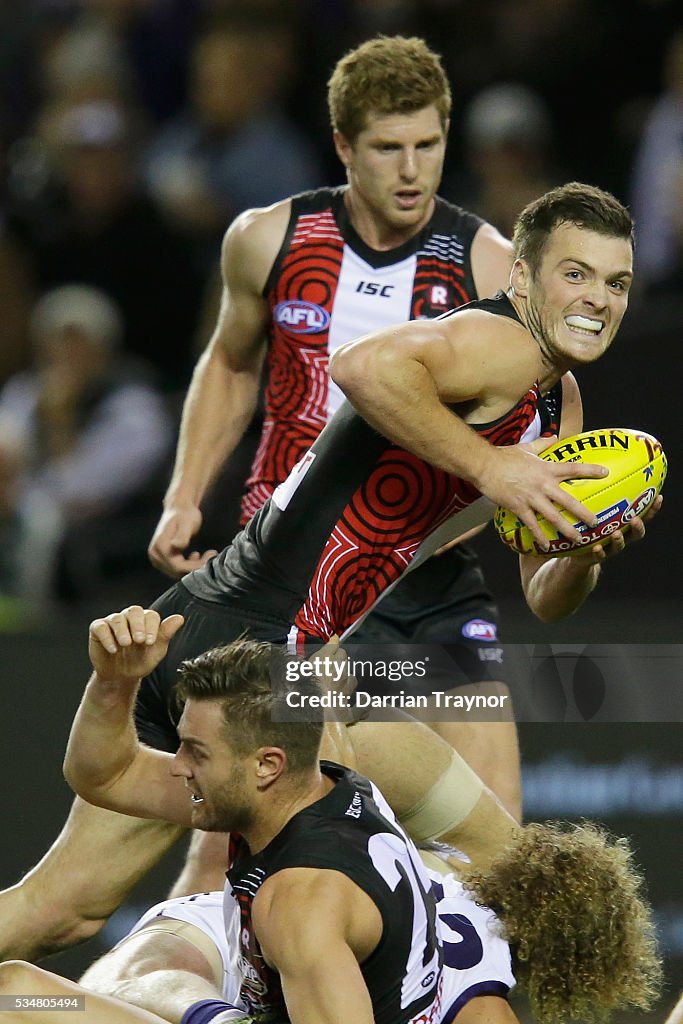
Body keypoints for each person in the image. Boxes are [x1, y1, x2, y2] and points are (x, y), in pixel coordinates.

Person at [0, 181, 660, 966]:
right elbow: (361, 364)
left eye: (615, 282)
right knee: (475, 864)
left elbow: (543, 595)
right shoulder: (501, 343)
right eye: (574, 274)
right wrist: (492, 468)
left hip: (252, 647)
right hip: (255, 654)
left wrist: (581, 554)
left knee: (66, 907)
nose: (596, 300)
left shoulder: (559, 402)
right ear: (519, 277)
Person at [146, 34, 519, 818]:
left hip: (428, 582)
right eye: (388, 148)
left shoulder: (484, 267)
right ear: (345, 145)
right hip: (291, 583)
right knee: (263, 844)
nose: (412, 169)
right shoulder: (268, 240)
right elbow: (230, 364)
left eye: (429, 144)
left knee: (496, 839)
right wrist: (185, 495)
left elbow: (514, 433)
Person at [0, 608, 661, 1024]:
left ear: (263, 763)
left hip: (289, 947)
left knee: (23, 999)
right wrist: (114, 681)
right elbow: (107, 774)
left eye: (193, 751)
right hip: (277, 952)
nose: (177, 766)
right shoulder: (329, 770)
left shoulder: (303, 902)